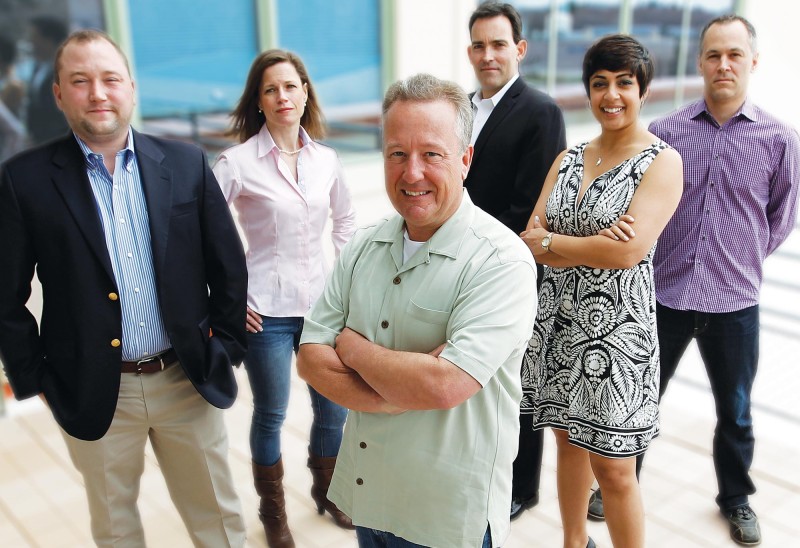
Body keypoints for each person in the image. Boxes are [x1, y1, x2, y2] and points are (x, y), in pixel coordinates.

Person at [0, 30, 248, 547]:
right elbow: (5, 295)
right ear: (59, 94)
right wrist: (36, 378)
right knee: (115, 530)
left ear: (131, 88)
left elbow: (227, 265)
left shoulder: (185, 164)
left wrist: (223, 346)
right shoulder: (23, 180)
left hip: (186, 378)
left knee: (219, 522)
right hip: (91, 388)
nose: (98, 93)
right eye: (80, 81)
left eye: (110, 79)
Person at [297, 73, 538, 547]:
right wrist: (402, 388)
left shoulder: (500, 261)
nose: (412, 173)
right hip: (369, 496)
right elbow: (308, 357)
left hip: (445, 517)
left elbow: (445, 384)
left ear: (465, 159)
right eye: (397, 154)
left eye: (432, 154)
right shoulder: (365, 244)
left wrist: (352, 347)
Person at [589, 15, 800, 547]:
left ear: (753, 61)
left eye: (733, 54)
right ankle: (619, 481)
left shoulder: (780, 140)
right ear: (700, 63)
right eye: (713, 55)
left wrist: (743, 258)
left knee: (736, 409)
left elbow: (780, 216)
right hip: (666, 296)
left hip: (736, 302)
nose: (723, 64)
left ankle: (735, 498)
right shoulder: (667, 133)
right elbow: (639, 208)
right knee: (637, 397)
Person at [520, 35, 682, 548]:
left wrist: (556, 241)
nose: (611, 95)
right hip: (560, 324)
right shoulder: (569, 156)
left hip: (618, 336)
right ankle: (573, 543)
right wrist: (586, 242)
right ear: (587, 91)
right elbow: (529, 241)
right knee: (567, 445)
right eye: (599, 84)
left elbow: (627, 254)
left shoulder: (661, 161)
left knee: (614, 472)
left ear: (643, 90)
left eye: (623, 83)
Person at [212, 49, 357, 546]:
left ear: (305, 92)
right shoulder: (236, 162)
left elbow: (345, 224)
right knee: (272, 413)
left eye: (290, 86)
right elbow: (203, 234)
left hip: (320, 308)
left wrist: (349, 285)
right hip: (265, 313)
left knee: (333, 409)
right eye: (271, 89)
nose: (282, 97)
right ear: (259, 100)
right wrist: (225, 298)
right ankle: (273, 512)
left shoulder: (326, 160)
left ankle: (328, 490)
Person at [464, 1, 566, 520]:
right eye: (479, 45)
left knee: (518, 382)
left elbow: (532, 208)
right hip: (459, 268)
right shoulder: (460, 107)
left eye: (499, 44)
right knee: (470, 374)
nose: (489, 55)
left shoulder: (540, 111)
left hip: (509, 270)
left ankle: (521, 488)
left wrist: (469, 252)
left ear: (519, 49)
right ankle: (476, 469)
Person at [25, 15, 69, 145]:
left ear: (48, 40)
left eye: (34, 37)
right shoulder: (37, 68)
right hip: (40, 142)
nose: (30, 42)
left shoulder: (64, 69)